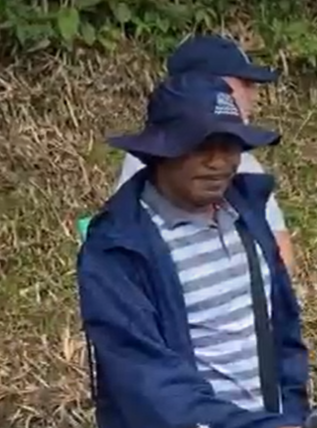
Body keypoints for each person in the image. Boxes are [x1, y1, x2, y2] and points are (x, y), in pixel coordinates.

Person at [78, 71, 317, 428]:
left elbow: (284, 332)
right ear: (160, 151)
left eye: (229, 145)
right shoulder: (119, 248)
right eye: (200, 145)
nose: (219, 161)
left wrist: (287, 421)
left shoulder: (246, 215)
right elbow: (144, 379)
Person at [112, 34, 298, 274]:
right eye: (245, 84)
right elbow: (281, 261)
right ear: (204, 84)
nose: (255, 96)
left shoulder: (244, 167)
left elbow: (280, 253)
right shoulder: (162, 163)